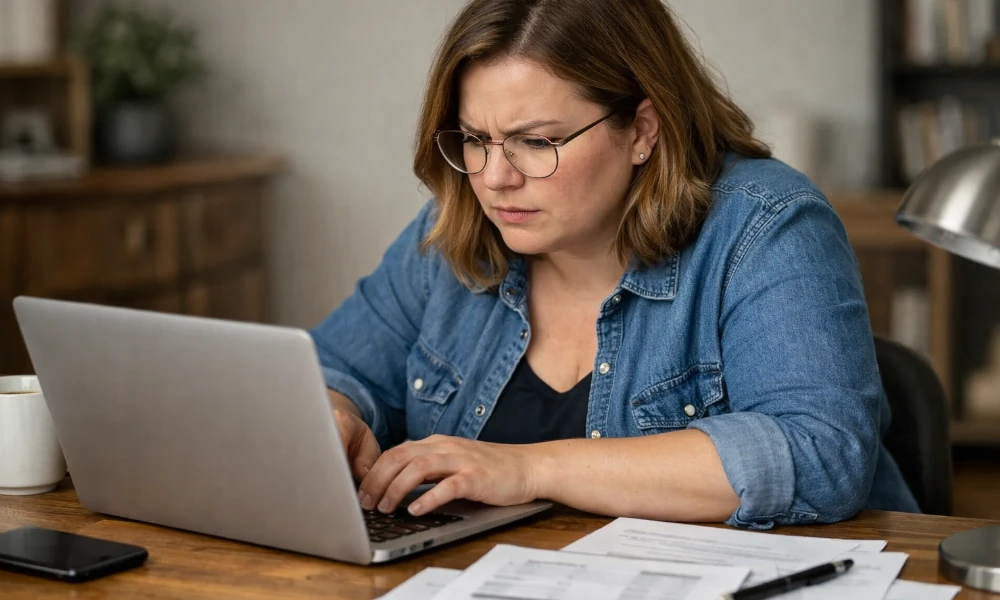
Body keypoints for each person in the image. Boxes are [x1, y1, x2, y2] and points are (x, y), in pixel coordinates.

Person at [311, 0, 920, 529]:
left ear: (642, 131)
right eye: (475, 139)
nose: (494, 179)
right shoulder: (454, 234)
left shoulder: (766, 225)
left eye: (537, 141)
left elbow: (820, 453)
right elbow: (333, 368)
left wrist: (530, 467)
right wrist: (335, 415)